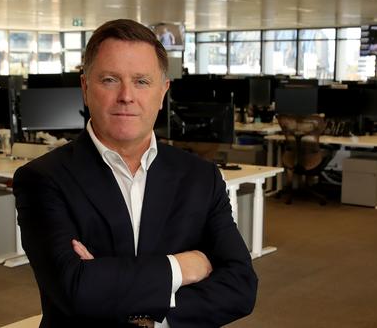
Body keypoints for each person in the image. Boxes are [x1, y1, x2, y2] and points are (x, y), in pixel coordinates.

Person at [13, 19, 257, 327]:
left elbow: (241, 287)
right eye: (110, 80)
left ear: (163, 91)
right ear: (86, 88)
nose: (126, 95)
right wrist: (180, 268)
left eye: (142, 81)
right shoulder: (42, 178)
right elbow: (74, 290)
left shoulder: (201, 177)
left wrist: (149, 317)